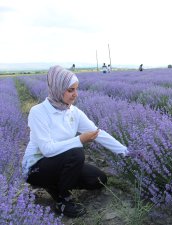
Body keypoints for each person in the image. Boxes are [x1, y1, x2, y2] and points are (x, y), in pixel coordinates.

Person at [22, 65, 129, 218]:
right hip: (36, 167)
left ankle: (55, 186)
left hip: (61, 162)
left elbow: (97, 133)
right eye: (70, 90)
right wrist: (79, 139)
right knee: (76, 153)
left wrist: (126, 151)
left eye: (76, 89)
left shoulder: (73, 111)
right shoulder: (38, 112)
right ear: (58, 89)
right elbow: (47, 150)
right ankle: (63, 201)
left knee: (99, 180)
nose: (75, 95)